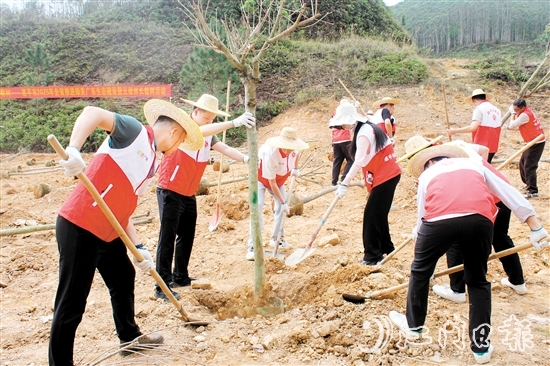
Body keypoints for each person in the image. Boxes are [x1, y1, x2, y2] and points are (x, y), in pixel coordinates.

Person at [49, 99, 204, 366]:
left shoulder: (151, 163)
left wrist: (139, 247)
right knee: (71, 304)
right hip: (81, 225)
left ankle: (130, 339)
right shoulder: (134, 132)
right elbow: (93, 112)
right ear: (175, 133)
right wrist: (74, 149)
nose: (177, 149)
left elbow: (122, 206)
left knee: (123, 276)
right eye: (180, 143)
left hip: (108, 231)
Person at [389, 144, 548, 364]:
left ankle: (414, 327)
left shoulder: (427, 175)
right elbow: (507, 192)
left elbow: (423, 214)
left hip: (437, 223)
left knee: (419, 272)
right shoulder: (473, 164)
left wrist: (422, 246)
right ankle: (481, 348)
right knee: (477, 281)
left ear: (430, 162)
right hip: (479, 220)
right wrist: (535, 226)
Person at [404, 136, 528, 303]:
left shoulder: (433, 167)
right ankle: (517, 281)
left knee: (455, 241)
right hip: (501, 192)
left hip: (478, 200)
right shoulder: (455, 147)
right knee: (500, 239)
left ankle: (457, 290)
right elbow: (484, 150)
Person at [155, 94, 255, 300]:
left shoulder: (210, 133)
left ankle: (180, 276)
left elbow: (223, 148)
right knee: (167, 238)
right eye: (207, 118)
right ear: (196, 112)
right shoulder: (184, 126)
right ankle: (161, 286)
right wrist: (234, 123)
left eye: (212, 119)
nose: (210, 122)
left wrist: (245, 158)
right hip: (170, 189)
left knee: (187, 235)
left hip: (188, 193)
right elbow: (197, 132)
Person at [335, 109, 401, 265]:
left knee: (371, 216)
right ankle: (387, 248)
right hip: (386, 173)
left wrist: (345, 182)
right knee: (379, 213)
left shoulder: (364, 133)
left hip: (386, 175)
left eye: (342, 123)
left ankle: (372, 256)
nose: (341, 126)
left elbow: (358, 161)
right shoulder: (365, 127)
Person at [246, 127, 309, 260]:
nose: (288, 150)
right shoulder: (271, 155)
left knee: (281, 209)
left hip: (278, 181)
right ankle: (252, 246)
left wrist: (296, 168)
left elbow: (296, 154)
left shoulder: (293, 149)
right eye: (286, 147)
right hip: (259, 180)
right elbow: (271, 183)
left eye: (291, 147)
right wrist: (283, 202)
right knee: (257, 207)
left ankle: (277, 239)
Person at [505, 98, 546, 199]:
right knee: (522, 163)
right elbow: (516, 127)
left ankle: (533, 190)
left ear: (522, 108)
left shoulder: (524, 114)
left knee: (529, 166)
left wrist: (512, 114)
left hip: (537, 142)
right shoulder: (523, 112)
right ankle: (528, 185)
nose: (515, 111)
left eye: (516, 109)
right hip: (531, 141)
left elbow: (512, 124)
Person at [448, 88, 501, 163]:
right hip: (494, 144)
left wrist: (455, 131)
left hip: (482, 143)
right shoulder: (497, 110)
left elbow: (473, 127)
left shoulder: (479, 109)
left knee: (479, 166)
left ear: (474, 100)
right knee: (487, 165)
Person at [329, 99, 359, 186]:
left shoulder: (335, 115)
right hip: (345, 139)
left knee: (337, 160)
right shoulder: (344, 114)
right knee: (351, 159)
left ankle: (334, 182)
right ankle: (344, 179)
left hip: (336, 141)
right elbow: (352, 117)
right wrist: (356, 107)